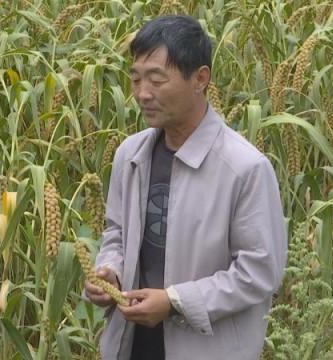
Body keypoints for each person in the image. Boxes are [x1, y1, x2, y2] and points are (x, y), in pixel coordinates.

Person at [84, 15, 287, 360]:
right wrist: (110, 274)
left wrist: (174, 301)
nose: (142, 94)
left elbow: (259, 272)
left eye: (157, 80)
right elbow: (117, 233)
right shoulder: (130, 155)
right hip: (132, 345)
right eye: (136, 79)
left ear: (200, 79)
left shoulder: (244, 169)